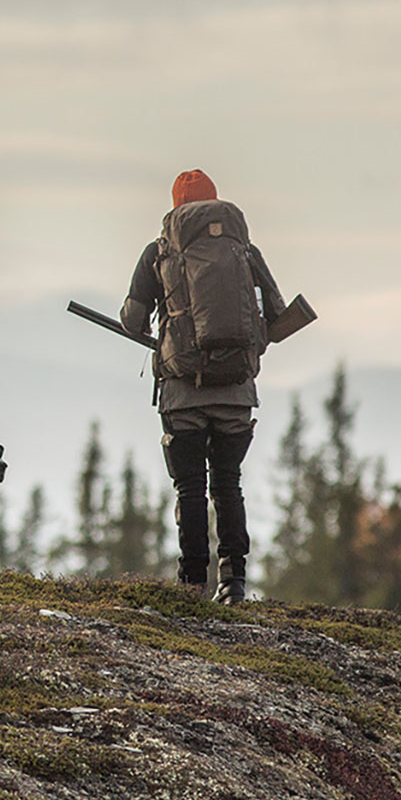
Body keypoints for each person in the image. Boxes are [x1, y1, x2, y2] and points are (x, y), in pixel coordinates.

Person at [118, 169, 287, 603]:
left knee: (190, 488)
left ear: (175, 207)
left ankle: (192, 583)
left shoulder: (158, 252)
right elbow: (279, 314)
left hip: (182, 391)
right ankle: (233, 582)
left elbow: (132, 320)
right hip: (235, 391)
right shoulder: (243, 250)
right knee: (229, 484)